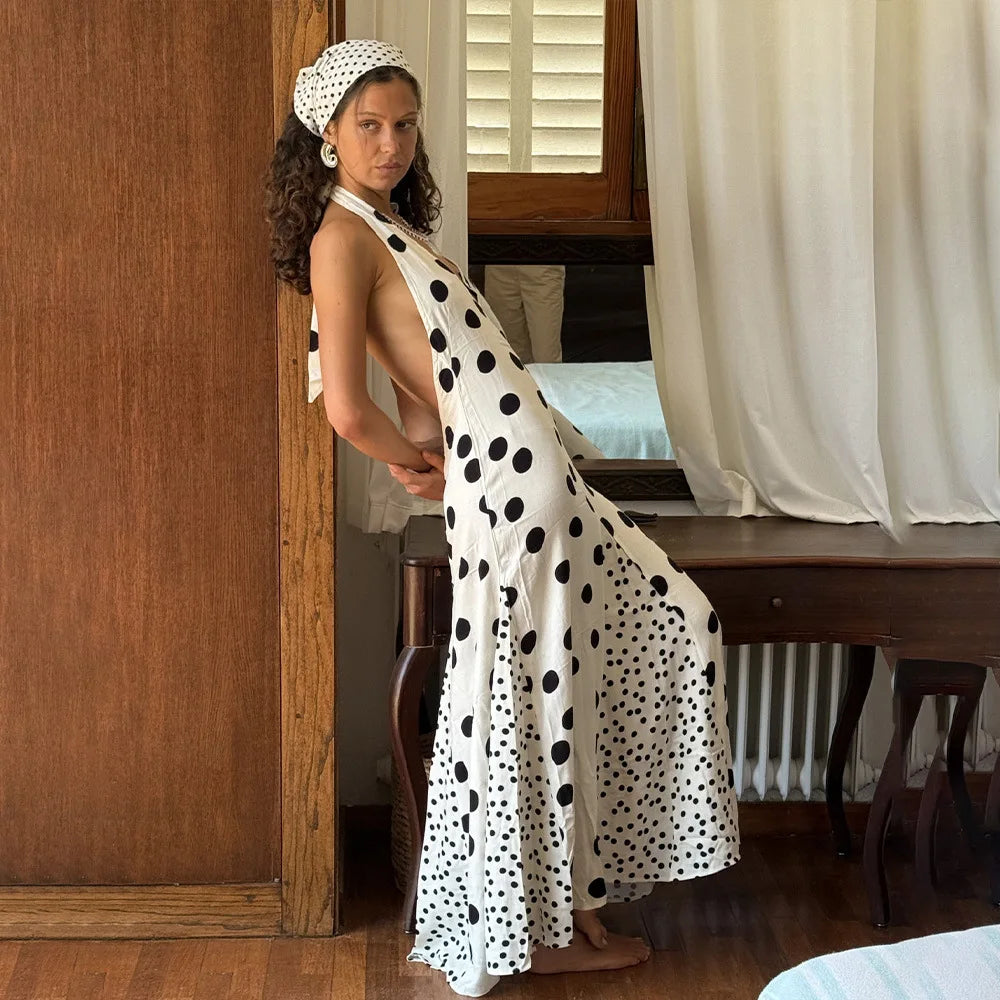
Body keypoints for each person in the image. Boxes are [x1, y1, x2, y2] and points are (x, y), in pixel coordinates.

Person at [265, 39, 740, 998]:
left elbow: (424, 372)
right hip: (515, 490)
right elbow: (346, 406)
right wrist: (421, 464)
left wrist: (427, 451)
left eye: (405, 125)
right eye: (369, 126)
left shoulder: (386, 225)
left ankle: (574, 897)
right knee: (535, 698)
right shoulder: (339, 236)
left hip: (529, 480)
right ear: (328, 135)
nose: (391, 143)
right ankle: (540, 927)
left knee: (647, 637)